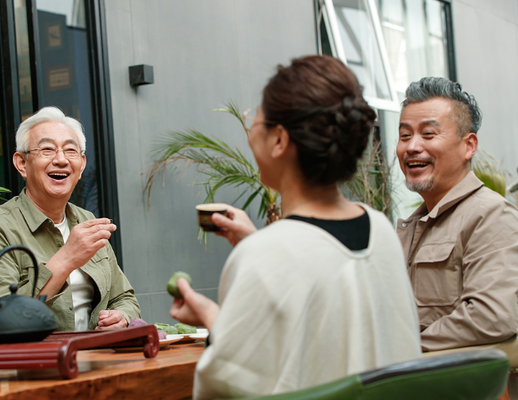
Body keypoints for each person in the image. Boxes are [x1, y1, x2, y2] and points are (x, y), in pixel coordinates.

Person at [170, 55, 421, 399]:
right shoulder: (381, 231)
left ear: (279, 140)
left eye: (254, 119)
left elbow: (226, 387)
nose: (249, 129)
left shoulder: (262, 255)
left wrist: (214, 316)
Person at [0, 107, 140, 331]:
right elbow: (1, 319)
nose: (61, 160)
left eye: (70, 151)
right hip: (36, 362)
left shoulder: (86, 220)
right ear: (22, 163)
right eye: (47, 149)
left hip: (98, 357)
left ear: (81, 165)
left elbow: (125, 297)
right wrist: (65, 260)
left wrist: (121, 316)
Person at [396, 77, 518, 352]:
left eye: (428, 134)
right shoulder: (409, 227)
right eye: (405, 136)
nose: (412, 146)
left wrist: (401, 349)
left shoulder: (491, 216)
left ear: (469, 146)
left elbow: (491, 317)